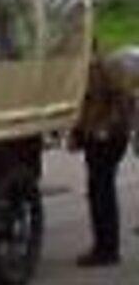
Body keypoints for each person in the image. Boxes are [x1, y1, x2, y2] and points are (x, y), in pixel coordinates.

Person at [71, 49, 136, 267]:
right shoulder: (81, 71)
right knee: (98, 191)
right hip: (96, 136)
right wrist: (78, 134)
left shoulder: (107, 67)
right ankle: (104, 245)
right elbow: (83, 107)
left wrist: (109, 126)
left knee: (102, 191)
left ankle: (107, 249)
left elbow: (123, 99)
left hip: (109, 137)